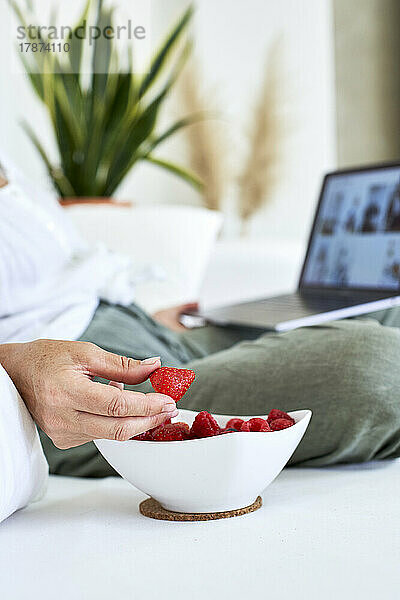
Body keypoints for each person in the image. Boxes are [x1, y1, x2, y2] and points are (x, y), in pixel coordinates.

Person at [1, 152, 400, 478]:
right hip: (73, 381)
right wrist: (12, 364)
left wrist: (148, 322)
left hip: (135, 328)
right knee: (381, 369)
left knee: (385, 306)